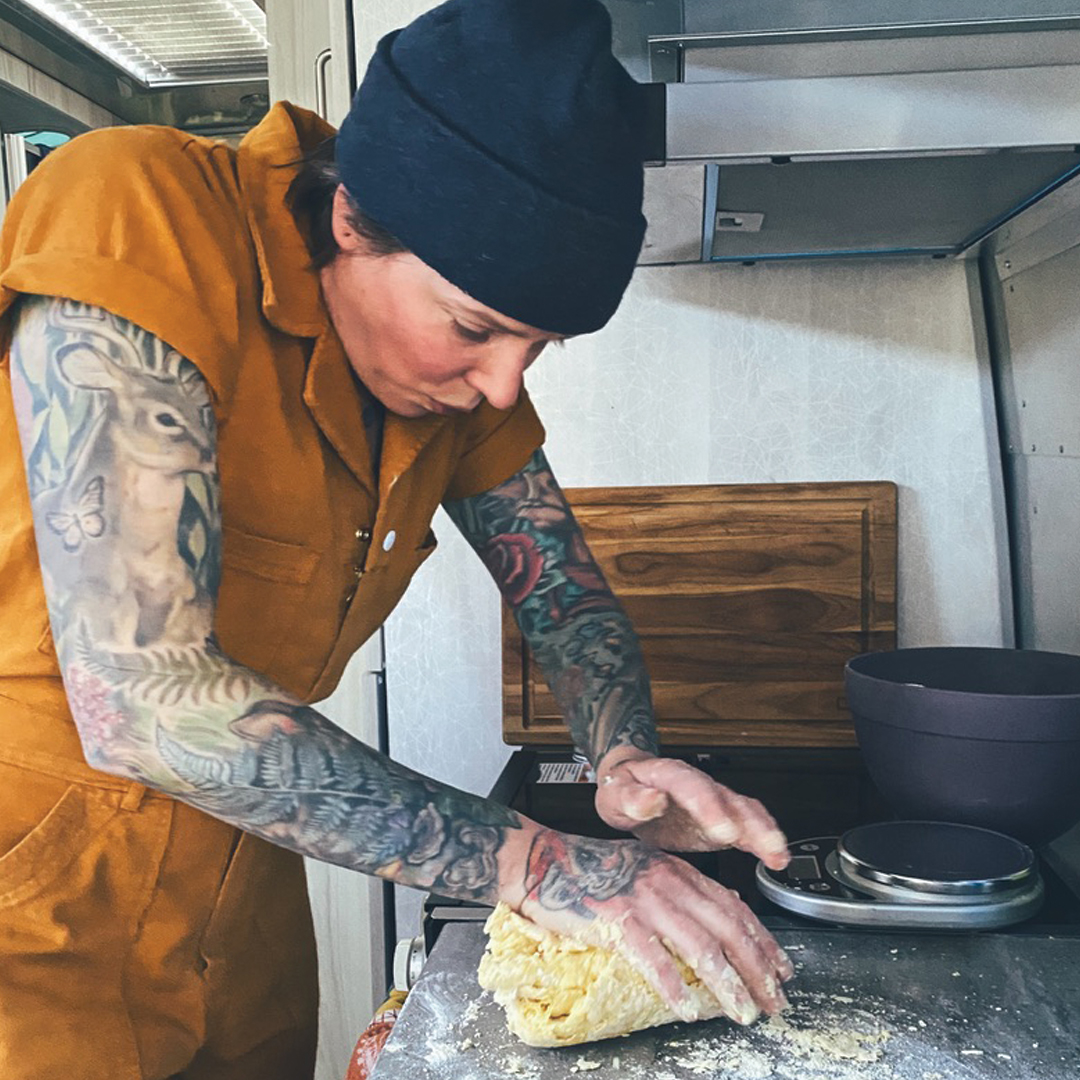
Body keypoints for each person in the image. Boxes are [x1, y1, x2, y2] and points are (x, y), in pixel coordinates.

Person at [0, 0, 794, 1076]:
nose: (502, 384)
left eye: (538, 347)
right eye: (474, 328)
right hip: (32, 891)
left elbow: (560, 589)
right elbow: (137, 698)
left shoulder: (451, 385)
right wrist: (534, 862)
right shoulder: (138, 208)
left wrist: (623, 753)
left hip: (241, 877)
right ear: (350, 222)